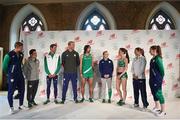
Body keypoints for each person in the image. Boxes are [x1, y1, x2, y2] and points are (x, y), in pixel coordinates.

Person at [2, 42, 26, 114]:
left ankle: (21, 105)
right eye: (21, 47)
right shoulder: (8, 55)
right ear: (17, 47)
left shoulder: (21, 54)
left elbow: (19, 64)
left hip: (20, 75)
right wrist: (9, 74)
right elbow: (4, 66)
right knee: (11, 92)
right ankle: (11, 107)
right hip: (12, 76)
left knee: (22, 90)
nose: (22, 48)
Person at [149, 45, 166, 117]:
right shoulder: (152, 59)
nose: (149, 51)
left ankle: (163, 111)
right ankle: (157, 107)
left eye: (150, 50)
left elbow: (162, 71)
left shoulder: (158, 58)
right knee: (154, 93)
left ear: (154, 50)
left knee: (158, 93)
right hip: (152, 79)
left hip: (157, 80)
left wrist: (159, 78)